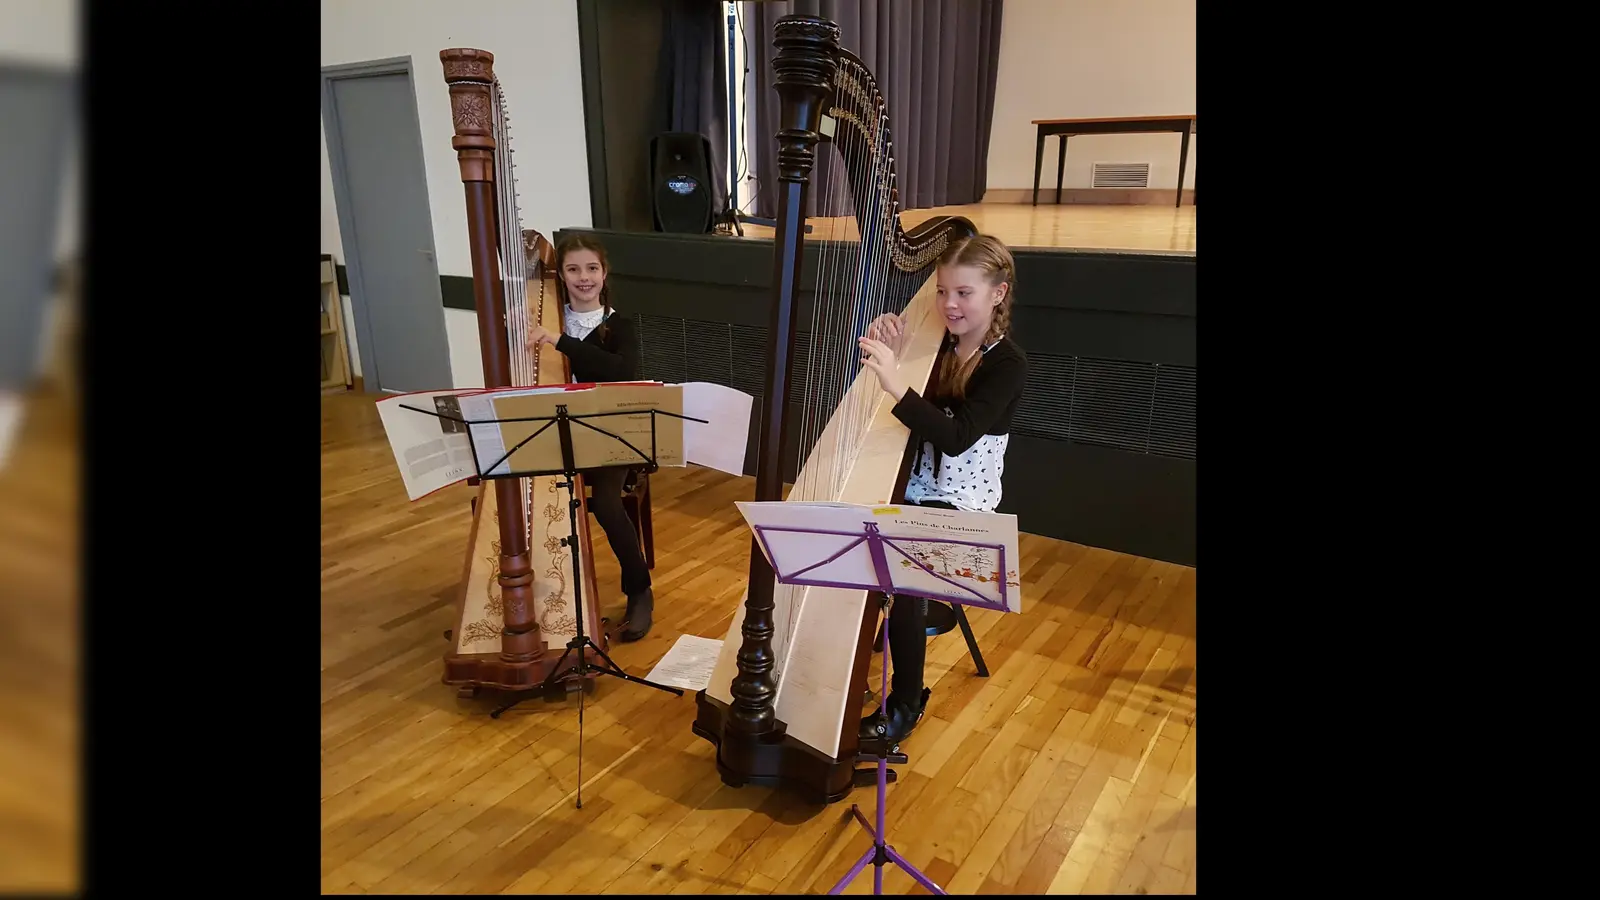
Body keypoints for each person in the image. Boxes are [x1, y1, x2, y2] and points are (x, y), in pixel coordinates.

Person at [854, 233, 1028, 744]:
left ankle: (906, 703)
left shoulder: (1006, 364)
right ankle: (842, 658)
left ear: (998, 293)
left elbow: (955, 437)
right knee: (845, 536)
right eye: (942, 291)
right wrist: (893, 347)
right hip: (912, 482)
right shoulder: (936, 342)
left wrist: (896, 383)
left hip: (963, 499)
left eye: (964, 293)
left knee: (903, 573)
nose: (949, 304)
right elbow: (908, 409)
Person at [526, 233, 655, 641]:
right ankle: (546, 595)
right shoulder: (545, 318)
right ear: (560, 276)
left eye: (592, 268)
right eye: (573, 269)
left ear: (604, 273)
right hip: (557, 431)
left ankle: (639, 591)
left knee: (605, 504)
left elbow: (619, 371)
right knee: (527, 493)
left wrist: (560, 341)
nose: (584, 277)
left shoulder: (618, 326)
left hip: (610, 433)